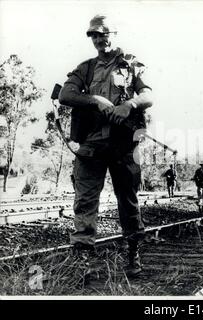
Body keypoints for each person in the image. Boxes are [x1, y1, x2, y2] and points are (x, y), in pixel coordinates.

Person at [58, 15, 153, 276]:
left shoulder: (131, 65)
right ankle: (82, 263)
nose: (99, 39)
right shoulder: (85, 68)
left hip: (123, 145)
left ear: (115, 34)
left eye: (104, 33)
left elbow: (148, 95)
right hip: (92, 146)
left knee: (129, 201)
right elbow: (66, 94)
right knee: (85, 202)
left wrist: (128, 105)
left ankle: (133, 255)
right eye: (94, 35)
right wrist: (94, 99)